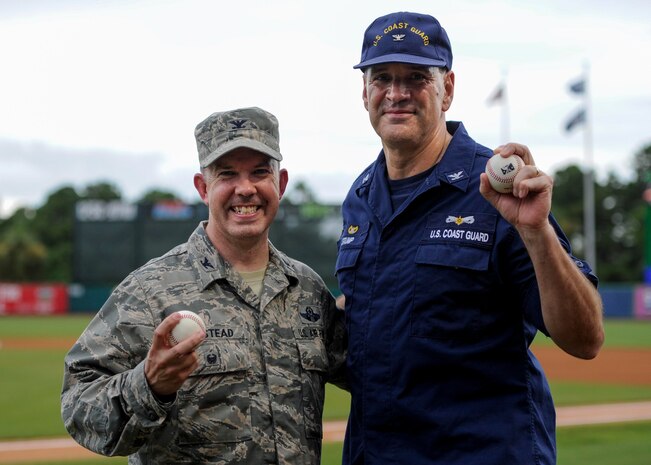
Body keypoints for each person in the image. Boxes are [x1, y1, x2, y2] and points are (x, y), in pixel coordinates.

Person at [335, 11, 604, 465]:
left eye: (416, 78)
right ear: (365, 93)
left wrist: (536, 232)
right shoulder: (360, 197)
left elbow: (586, 338)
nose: (396, 93)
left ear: (448, 89)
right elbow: (367, 316)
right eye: (382, 78)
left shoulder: (496, 193)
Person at [61, 107, 347, 465]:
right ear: (203, 187)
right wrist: (148, 386)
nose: (246, 188)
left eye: (260, 172)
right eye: (227, 174)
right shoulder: (150, 290)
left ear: (281, 183)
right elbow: (78, 403)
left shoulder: (306, 289)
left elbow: (375, 372)